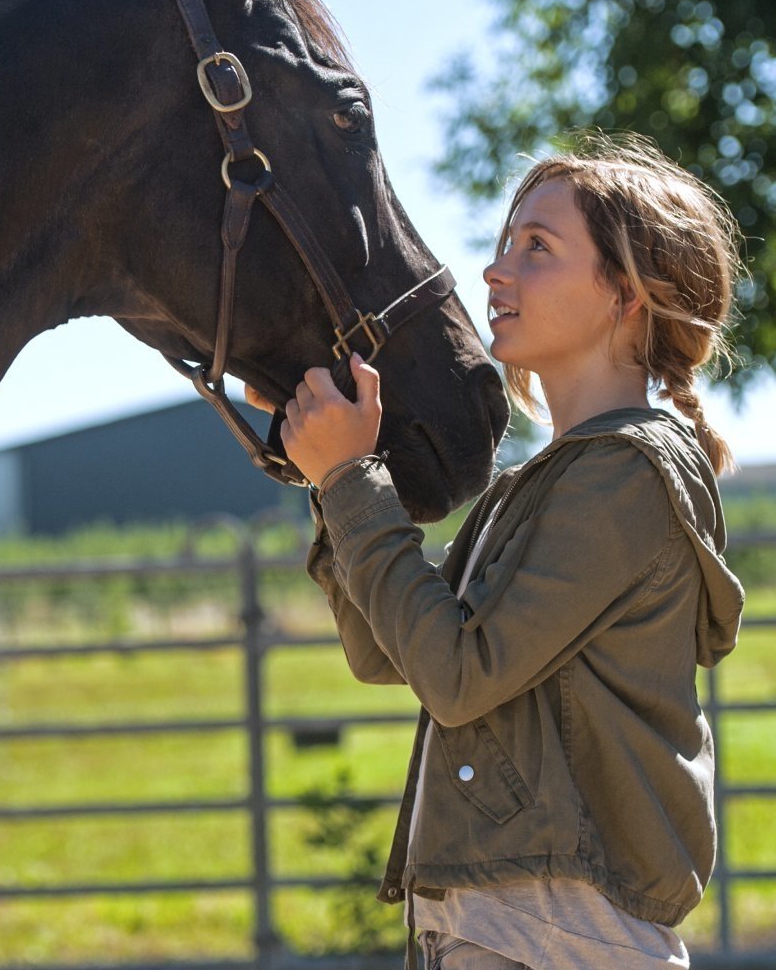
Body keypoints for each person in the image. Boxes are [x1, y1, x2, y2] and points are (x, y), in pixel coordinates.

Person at [250, 131, 747, 969]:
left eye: (537, 248)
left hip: (555, 935)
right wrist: (332, 476)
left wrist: (350, 479)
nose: (495, 271)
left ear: (627, 294)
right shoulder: (543, 483)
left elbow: (457, 678)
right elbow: (388, 652)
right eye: (506, 244)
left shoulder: (626, 476)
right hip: (498, 924)